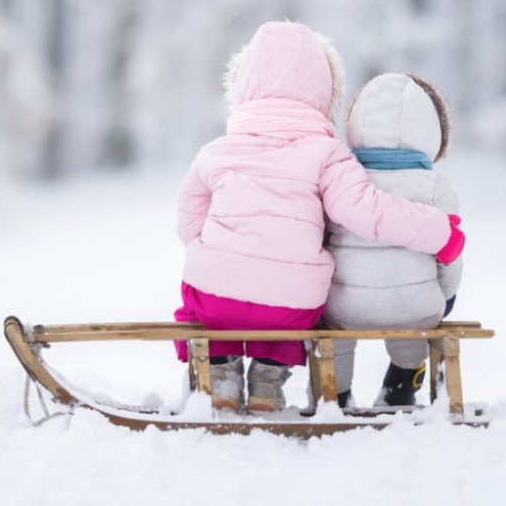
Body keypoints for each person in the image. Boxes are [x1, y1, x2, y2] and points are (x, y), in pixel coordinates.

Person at [174, 22, 464, 412]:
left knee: (203, 293)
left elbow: (187, 222)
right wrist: (438, 231)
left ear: (243, 84)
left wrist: (215, 251)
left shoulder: (215, 152)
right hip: (292, 307)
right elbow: (364, 210)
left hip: (217, 299)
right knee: (291, 295)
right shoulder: (328, 154)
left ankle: (221, 372)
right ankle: (267, 381)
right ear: (325, 92)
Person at [322, 71, 464, 409]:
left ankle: (336, 392)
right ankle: (401, 384)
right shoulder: (436, 187)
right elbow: (450, 257)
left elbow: (322, 240)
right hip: (415, 305)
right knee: (416, 312)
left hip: (345, 305)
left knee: (335, 331)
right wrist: (444, 297)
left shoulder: (341, 181)